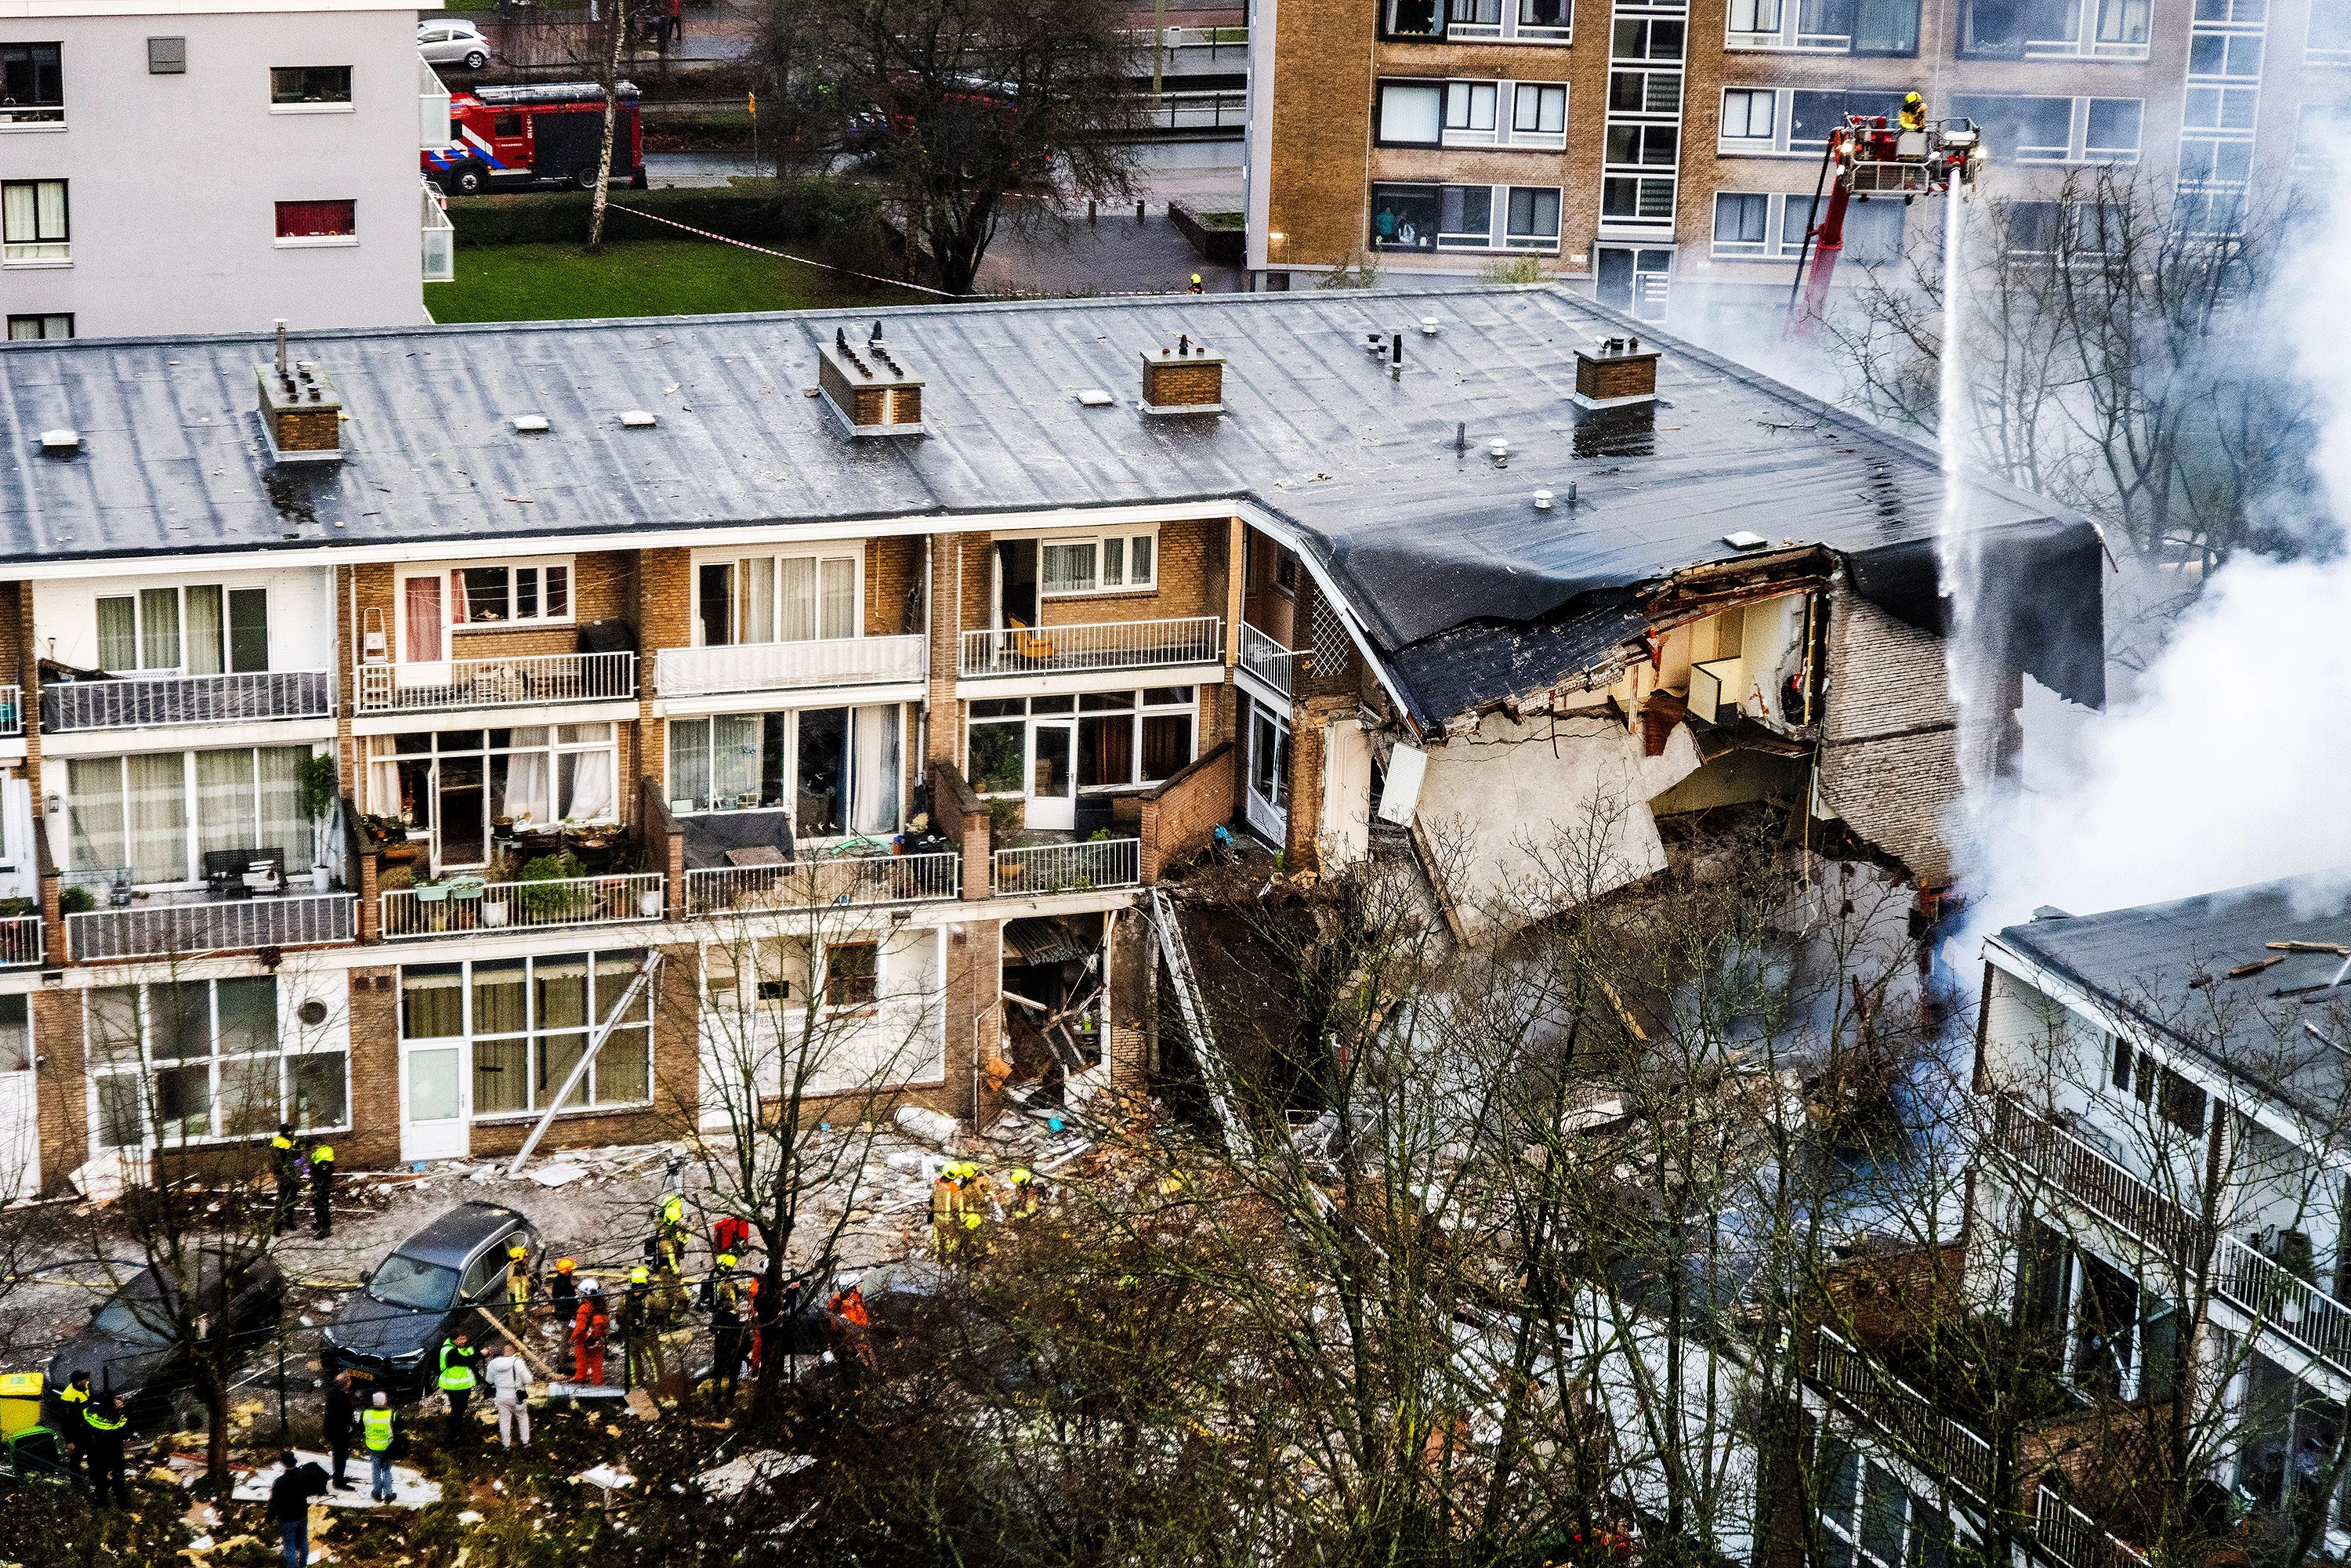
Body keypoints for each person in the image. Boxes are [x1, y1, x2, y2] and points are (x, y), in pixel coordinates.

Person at [266, 1448, 328, 1567]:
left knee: (289, 1546)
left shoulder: (280, 1482)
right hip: (302, 1513)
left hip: (287, 1518)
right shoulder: (304, 1476)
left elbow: (274, 1503)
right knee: (303, 1540)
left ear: (283, 1464)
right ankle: (303, 1564)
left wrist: (269, 1519)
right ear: (295, 1461)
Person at [708, 1252, 744, 1406]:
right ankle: (729, 1399)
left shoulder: (715, 1281)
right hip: (732, 1334)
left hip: (721, 1336)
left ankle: (716, 1398)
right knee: (734, 1367)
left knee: (718, 1369)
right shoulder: (725, 1285)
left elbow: (712, 1328)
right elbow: (731, 1303)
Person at [82, 1393, 128, 1510]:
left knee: (100, 1478)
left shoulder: (90, 1413)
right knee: (118, 1476)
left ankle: (102, 1504)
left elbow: (84, 1414)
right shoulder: (116, 1418)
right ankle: (121, 1502)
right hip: (113, 1452)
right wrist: (122, 1409)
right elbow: (126, 1425)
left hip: (96, 1450)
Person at [437, 1330, 479, 1448]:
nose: (463, 1341)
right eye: (460, 1339)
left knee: (459, 1410)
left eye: (464, 1338)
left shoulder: (458, 1348)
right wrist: (480, 1354)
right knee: (458, 1411)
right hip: (455, 1386)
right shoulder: (450, 1352)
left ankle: (455, 1434)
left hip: (460, 1386)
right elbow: (465, 1361)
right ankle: (454, 1437)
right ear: (454, 1339)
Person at [484, 1345, 530, 1449]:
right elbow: (528, 1379)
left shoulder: (492, 1364)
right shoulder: (517, 1362)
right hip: (517, 1395)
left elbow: (489, 1380)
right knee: (522, 1417)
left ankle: (506, 1445)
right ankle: (526, 1442)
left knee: (504, 1421)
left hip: (501, 1396)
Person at [571, 1280, 610, 1385]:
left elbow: (580, 1327)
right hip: (598, 1341)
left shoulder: (584, 1308)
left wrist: (572, 1339)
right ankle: (597, 1385)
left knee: (581, 1363)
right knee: (597, 1365)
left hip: (583, 1340)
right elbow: (606, 1325)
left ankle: (580, 1383)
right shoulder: (602, 1306)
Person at [323, 1370, 356, 1490]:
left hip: (334, 1430)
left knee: (339, 1455)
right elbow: (338, 1416)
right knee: (341, 1456)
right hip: (339, 1432)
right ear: (346, 1384)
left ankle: (339, 1476)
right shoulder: (341, 1399)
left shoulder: (333, 1394)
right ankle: (339, 1482)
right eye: (349, 1380)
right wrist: (348, 1427)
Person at [362, 1392, 398, 1504]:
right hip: (387, 1448)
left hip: (373, 1447)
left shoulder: (366, 1414)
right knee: (387, 1470)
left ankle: (377, 1493)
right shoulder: (391, 1414)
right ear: (385, 1401)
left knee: (376, 1471)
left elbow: (360, 1427)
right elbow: (401, 1426)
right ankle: (388, 1494)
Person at [56, 1370, 91, 1479]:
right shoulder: (68, 1397)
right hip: (77, 1432)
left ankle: (93, 1475)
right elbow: (65, 1422)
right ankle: (76, 1481)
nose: (87, 1380)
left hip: (87, 1427)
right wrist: (69, 1441)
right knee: (76, 1457)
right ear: (78, 1382)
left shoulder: (85, 1387)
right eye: (84, 1379)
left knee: (92, 1452)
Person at [270, 1124, 301, 1237]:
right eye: (290, 1130)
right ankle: (277, 1226)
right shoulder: (279, 1142)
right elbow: (280, 1161)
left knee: (291, 1198)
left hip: (293, 1174)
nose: (291, 1132)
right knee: (283, 1199)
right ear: (286, 1132)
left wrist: (302, 1170)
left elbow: (298, 1157)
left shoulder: (291, 1141)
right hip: (284, 1175)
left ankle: (288, 1220)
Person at [308, 1139, 336, 1239]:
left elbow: (325, 1174)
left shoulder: (325, 1155)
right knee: (317, 1205)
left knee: (323, 1207)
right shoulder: (319, 1153)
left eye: (312, 1146)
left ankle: (325, 1229)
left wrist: (320, 1186)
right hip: (317, 1185)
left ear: (317, 1144)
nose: (312, 1149)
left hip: (322, 1187)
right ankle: (320, 1223)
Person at [505, 1243, 533, 1334]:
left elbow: (525, 1280)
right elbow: (516, 1296)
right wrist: (521, 1312)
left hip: (523, 1303)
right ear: (519, 1260)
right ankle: (518, 1336)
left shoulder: (520, 1267)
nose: (527, 1259)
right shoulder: (514, 1277)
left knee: (522, 1325)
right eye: (525, 1258)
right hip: (517, 1309)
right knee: (518, 1328)